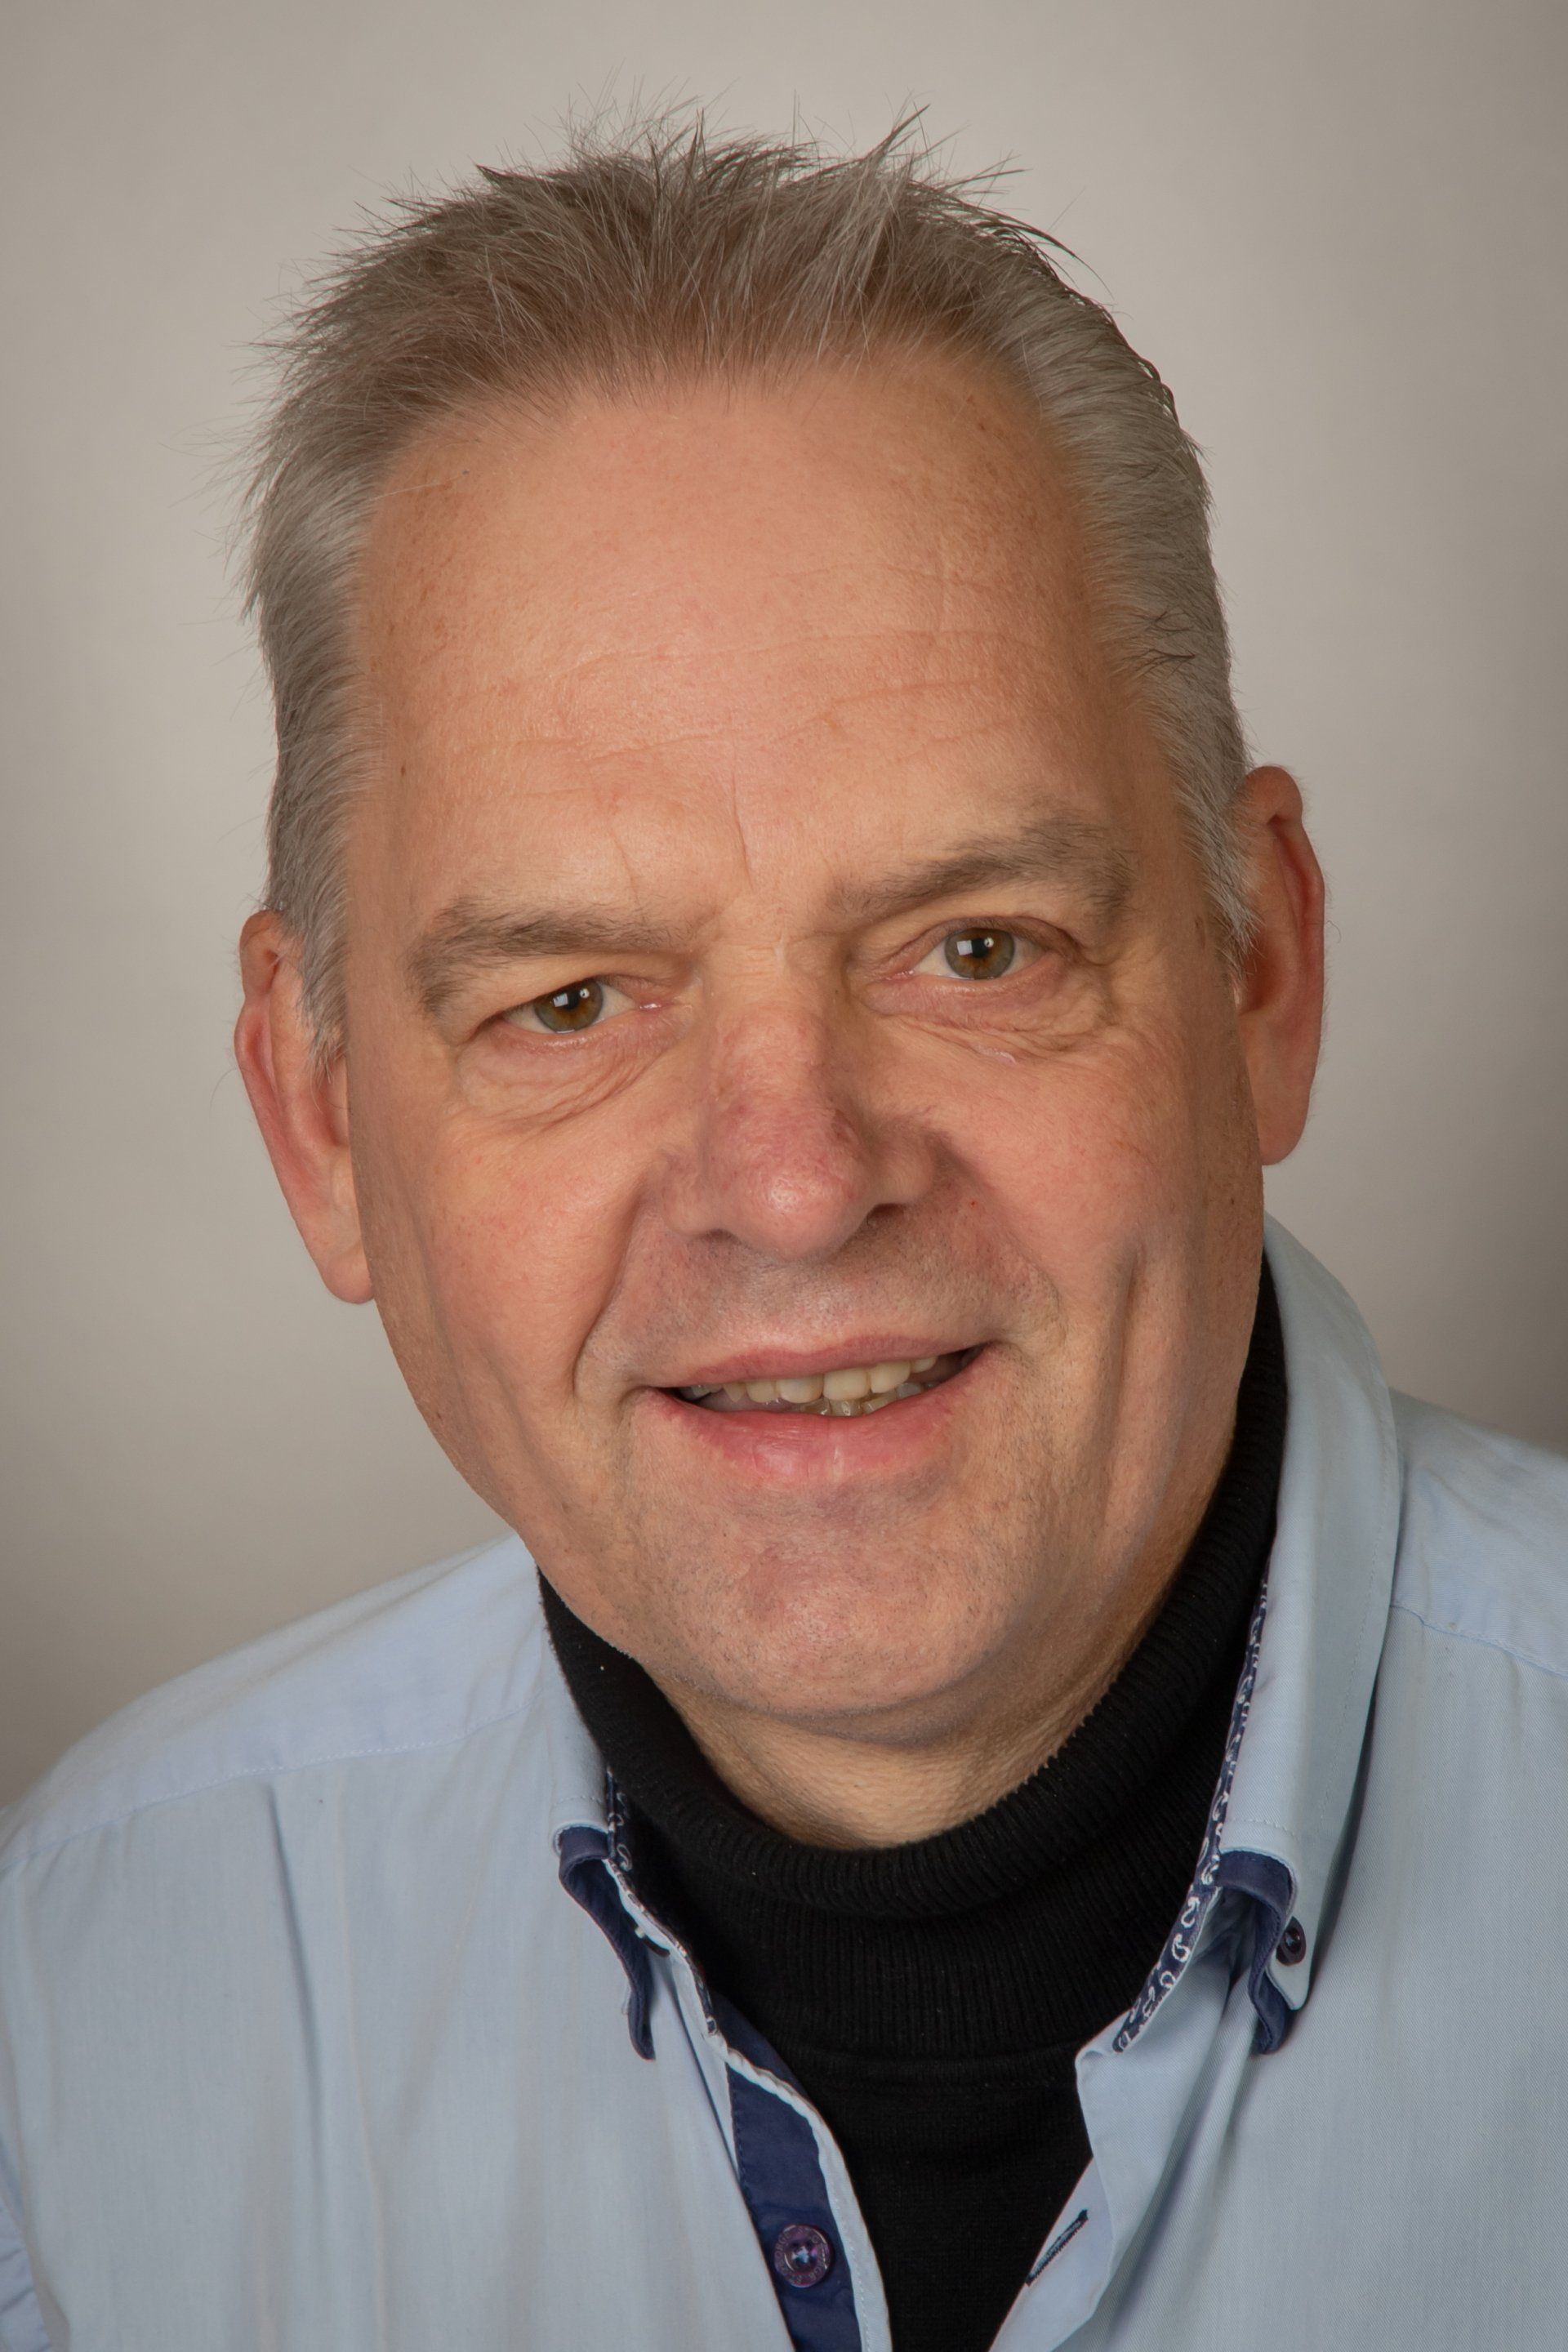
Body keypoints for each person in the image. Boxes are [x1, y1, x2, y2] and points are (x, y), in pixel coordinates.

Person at [1, 117, 1564, 2352]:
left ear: (1261, 977)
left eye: (977, 949)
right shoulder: (75, 2018)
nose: (801, 1182)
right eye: (570, 1001)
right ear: (321, 1113)